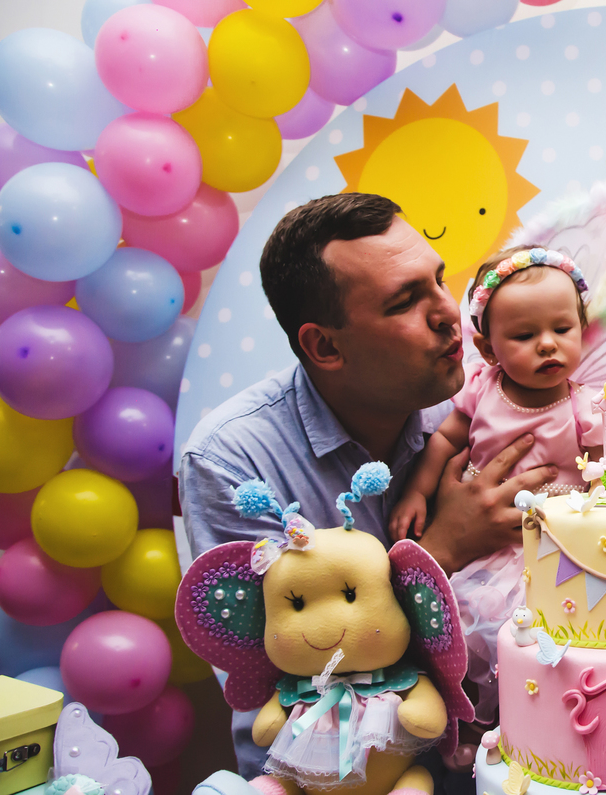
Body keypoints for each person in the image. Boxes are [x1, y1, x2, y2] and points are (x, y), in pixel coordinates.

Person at [179, 193, 556, 780]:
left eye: (439, 281)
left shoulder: (474, 412)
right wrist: (444, 548)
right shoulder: (234, 460)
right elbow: (292, 672)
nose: (447, 313)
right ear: (326, 346)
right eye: (405, 302)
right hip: (334, 777)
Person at [389, 245, 604, 719]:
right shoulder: (482, 387)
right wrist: (417, 492)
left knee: (551, 642)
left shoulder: (590, 406)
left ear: (582, 329)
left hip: (554, 548)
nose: (547, 345)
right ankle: (472, 731)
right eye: (525, 335)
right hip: (482, 551)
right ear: (488, 349)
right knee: (467, 631)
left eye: (562, 329)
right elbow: (444, 440)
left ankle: (545, 723)